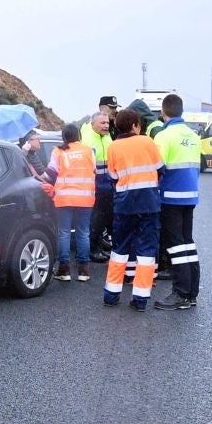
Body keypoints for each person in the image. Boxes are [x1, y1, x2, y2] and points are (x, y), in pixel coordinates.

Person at [101, 108, 163, 311]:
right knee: (146, 252)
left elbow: (113, 177)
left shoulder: (113, 147)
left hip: (124, 205)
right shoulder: (147, 142)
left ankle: (111, 295)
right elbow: (161, 168)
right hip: (148, 204)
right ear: (135, 126)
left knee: (119, 250)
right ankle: (140, 299)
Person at [152, 94, 203, 311]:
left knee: (176, 247)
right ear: (181, 111)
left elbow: (156, 167)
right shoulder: (193, 135)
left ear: (163, 112)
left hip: (170, 196)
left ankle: (181, 293)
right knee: (187, 243)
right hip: (189, 196)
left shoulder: (164, 136)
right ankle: (191, 292)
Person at [46, 121, 95, 283]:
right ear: (78, 136)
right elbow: (93, 170)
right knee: (83, 233)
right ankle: (84, 271)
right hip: (85, 198)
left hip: (64, 198)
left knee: (64, 233)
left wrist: (38, 178)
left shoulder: (58, 151)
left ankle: (64, 270)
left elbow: (50, 173)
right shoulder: (88, 151)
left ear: (64, 137)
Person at [82, 97, 119, 262]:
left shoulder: (106, 137)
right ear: (93, 124)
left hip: (108, 187)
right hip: (94, 188)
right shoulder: (88, 140)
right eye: (102, 123)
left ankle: (99, 247)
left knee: (104, 220)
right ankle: (92, 250)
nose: (106, 125)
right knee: (95, 222)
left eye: (107, 123)